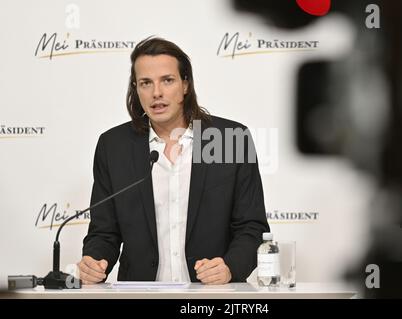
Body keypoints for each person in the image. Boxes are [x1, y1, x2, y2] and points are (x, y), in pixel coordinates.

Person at [78, 36, 269, 285]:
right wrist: (94, 261)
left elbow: (251, 227)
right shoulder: (114, 146)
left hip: (210, 296)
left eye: (167, 80)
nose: (156, 93)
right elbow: (104, 232)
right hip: (141, 293)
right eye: (146, 83)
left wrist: (230, 267)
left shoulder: (227, 139)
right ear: (136, 89)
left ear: (185, 84)